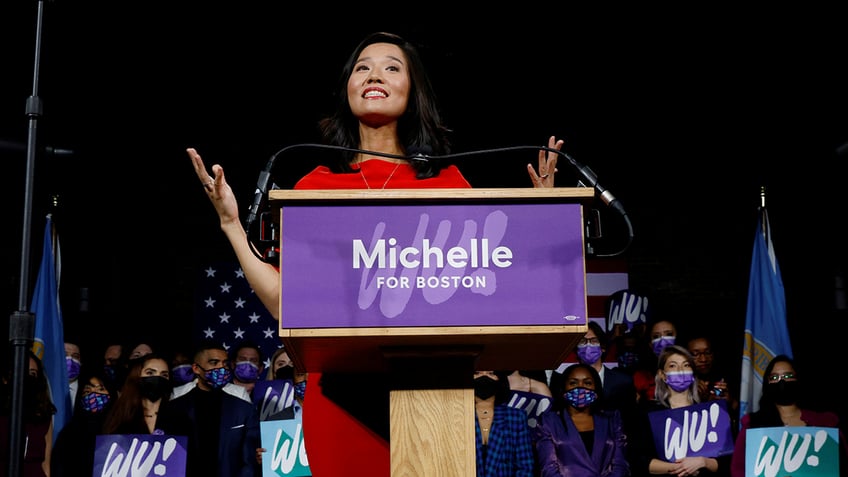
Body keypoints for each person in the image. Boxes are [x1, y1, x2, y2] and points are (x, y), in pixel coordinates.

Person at [188, 30, 561, 476]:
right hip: (339, 397)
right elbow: (288, 302)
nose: (373, 75)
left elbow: (486, 287)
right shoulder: (314, 187)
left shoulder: (447, 185)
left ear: (412, 89)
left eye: (391, 66)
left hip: (434, 392)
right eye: (362, 67)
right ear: (348, 88)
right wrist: (232, 225)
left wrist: (544, 218)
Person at [730, 354, 848, 477]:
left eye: (788, 376)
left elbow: (841, 465)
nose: (782, 381)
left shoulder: (825, 424)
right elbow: (738, 470)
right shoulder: (753, 425)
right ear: (767, 383)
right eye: (774, 377)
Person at [157, 340, 261, 477]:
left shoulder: (244, 410)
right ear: (196, 368)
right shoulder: (174, 408)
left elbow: (248, 463)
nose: (221, 368)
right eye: (214, 363)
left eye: (224, 363)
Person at [629, 345, 729, 476]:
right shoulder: (649, 413)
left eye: (686, 365)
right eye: (673, 366)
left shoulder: (711, 411)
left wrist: (703, 461)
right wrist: (681, 467)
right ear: (662, 375)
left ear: (693, 373)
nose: (680, 371)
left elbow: (727, 460)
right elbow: (639, 460)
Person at [533, 363, 630, 477]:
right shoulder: (548, 421)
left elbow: (620, 465)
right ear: (563, 389)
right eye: (573, 383)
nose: (580, 387)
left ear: (596, 388)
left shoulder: (612, 419)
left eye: (587, 383)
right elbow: (548, 469)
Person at [50, 365, 117, 477]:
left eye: (101, 389)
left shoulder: (120, 430)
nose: (94, 394)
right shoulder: (69, 434)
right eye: (87, 390)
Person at [0, 349, 56, 477]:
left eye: (33, 373)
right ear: (6, 378)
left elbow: (46, 465)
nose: (27, 377)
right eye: (21, 371)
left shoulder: (44, 416)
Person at [473, 370, 535, 476]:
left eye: (490, 373)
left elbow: (525, 466)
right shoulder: (457, 417)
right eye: (477, 373)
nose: (484, 377)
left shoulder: (516, 417)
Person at [100, 353, 173, 435]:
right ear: (137, 376)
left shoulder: (178, 418)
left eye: (164, 375)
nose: (157, 378)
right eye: (150, 373)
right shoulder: (118, 416)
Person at [685, 334, 739, 432]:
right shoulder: (681, 383)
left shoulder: (727, 377)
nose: (703, 359)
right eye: (695, 354)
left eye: (708, 352)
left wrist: (729, 401)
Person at [631, 319, 678, 404]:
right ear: (650, 344)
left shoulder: (692, 374)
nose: (663, 341)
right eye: (656, 336)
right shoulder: (641, 377)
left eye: (669, 334)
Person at [65, 340, 83, 413]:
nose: (70, 360)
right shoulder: (45, 387)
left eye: (75, 356)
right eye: (64, 355)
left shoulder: (90, 389)